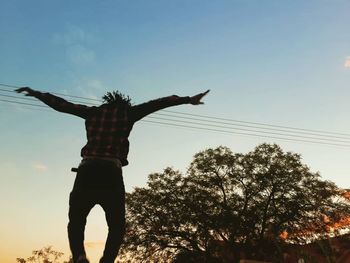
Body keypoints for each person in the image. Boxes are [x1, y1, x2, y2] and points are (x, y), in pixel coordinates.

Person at [16, 87, 210, 263]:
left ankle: (80, 256)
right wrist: (188, 100)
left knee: (76, 221)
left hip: (87, 171)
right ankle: (107, 259)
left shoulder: (92, 112)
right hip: (111, 173)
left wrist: (36, 93)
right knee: (117, 226)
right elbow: (158, 103)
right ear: (123, 104)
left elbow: (63, 105)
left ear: (107, 103)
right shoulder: (129, 113)